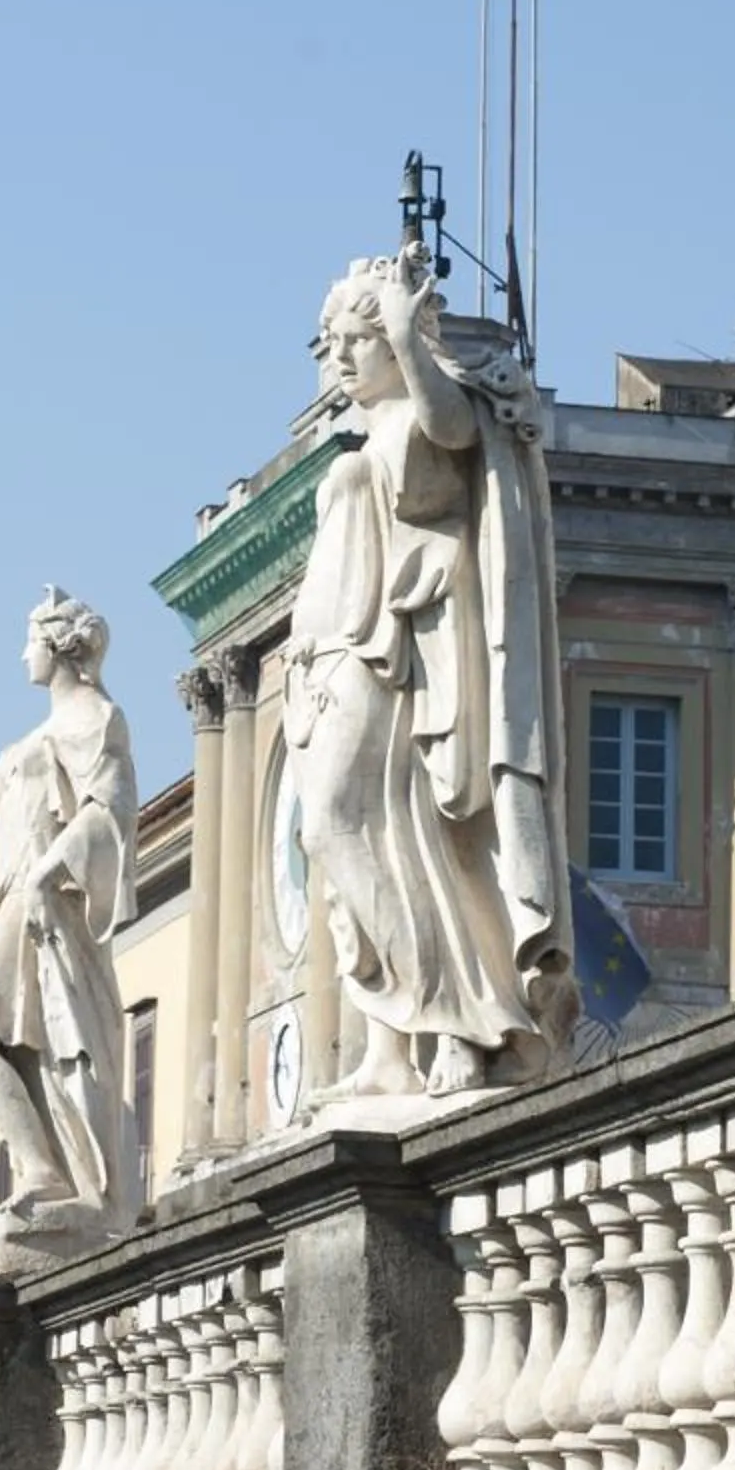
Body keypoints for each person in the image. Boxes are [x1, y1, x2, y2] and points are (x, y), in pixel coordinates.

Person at [280, 257, 575, 1102]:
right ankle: (389, 1047)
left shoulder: (430, 417)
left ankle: (461, 1016)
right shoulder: (362, 441)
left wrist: (410, 337)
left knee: (357, 828)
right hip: (331, 658)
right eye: (333, 342)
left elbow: (450, 434)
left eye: (356, 340)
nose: (339, 358)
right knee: (342, 845)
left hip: (398, 654)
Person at [0, 591, 137, 1252]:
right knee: (14, 1047)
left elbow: (109, 810)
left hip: (42, 898)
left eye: (28, 640)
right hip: (7, 898)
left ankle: (43, 1169)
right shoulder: (34, 740)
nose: (21, 653)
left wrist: (51, 870)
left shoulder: (98, 718)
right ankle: (46, 1171)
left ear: (58, 645)